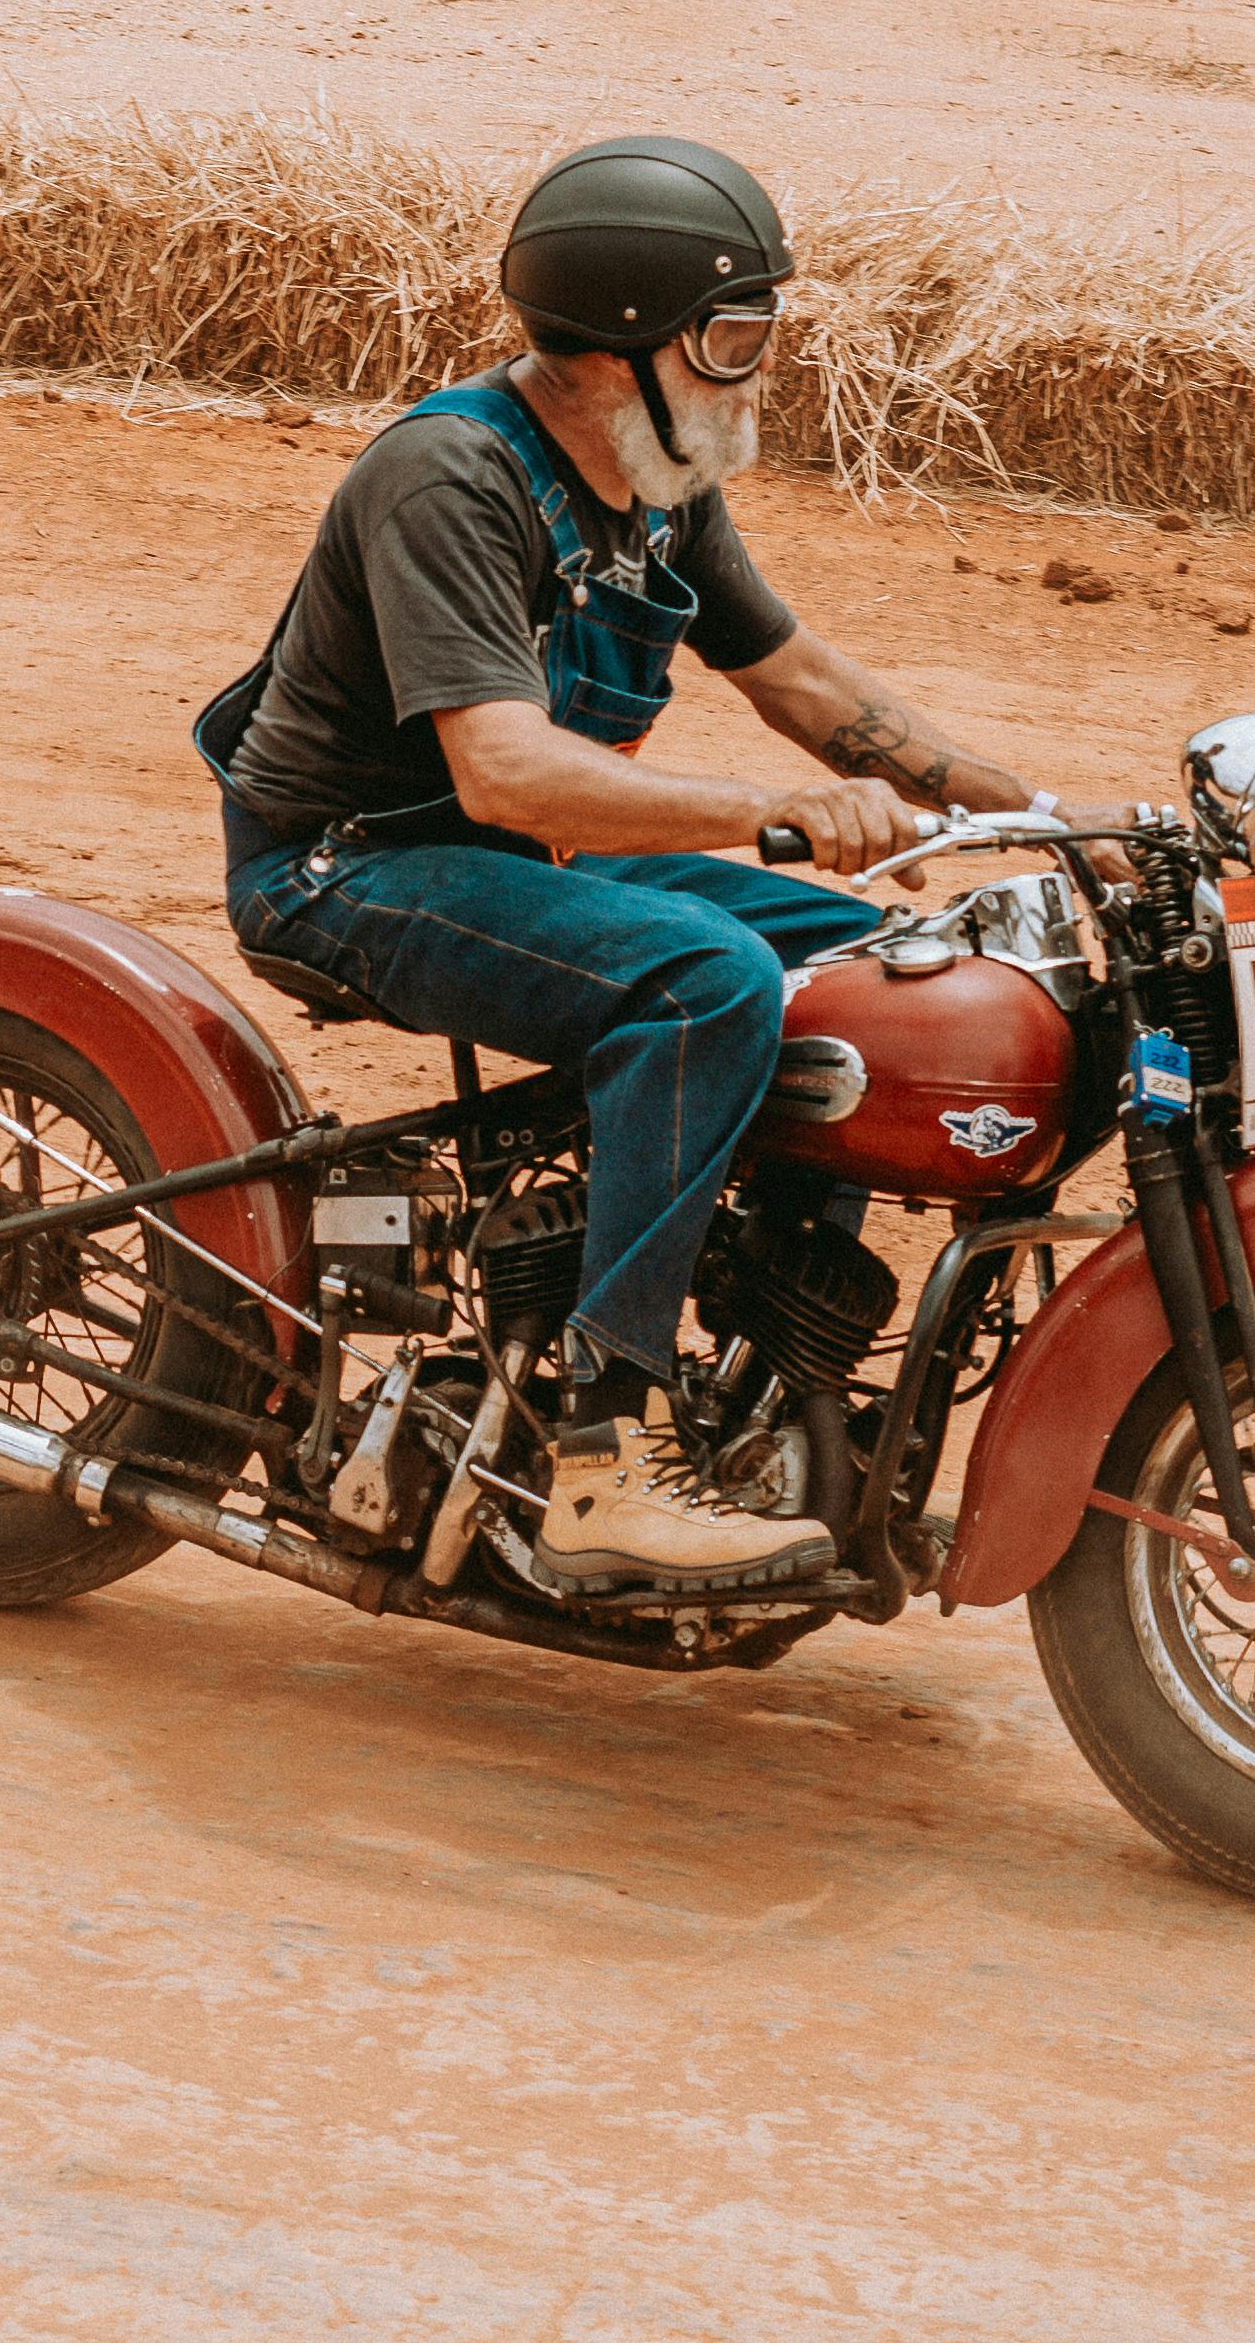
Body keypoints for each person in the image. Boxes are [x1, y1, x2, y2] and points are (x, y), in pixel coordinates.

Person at [199, 136, 1134, 1596]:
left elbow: (798, 674)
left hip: (528, 863)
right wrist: (774, 810)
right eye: (735, 336)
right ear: (629, 342)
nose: (756, 370)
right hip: (350, 867)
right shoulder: (452, 476)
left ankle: (777, 1391)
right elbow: (497, 772)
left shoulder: (659, 485)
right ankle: (602, 1458)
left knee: (872, 980)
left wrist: (1039, 810)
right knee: (707, 983)